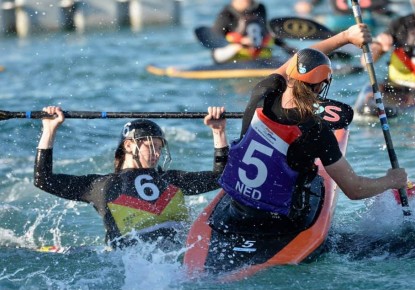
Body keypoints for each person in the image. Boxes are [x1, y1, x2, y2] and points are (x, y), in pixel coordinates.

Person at [215, 23, 408, 232]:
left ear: (289, 74)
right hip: (278, 221)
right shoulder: (316, 130)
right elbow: (355, 189)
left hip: (237, 210)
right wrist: (391, 180)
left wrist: (344, 36)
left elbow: (300, 59)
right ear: (319, 86)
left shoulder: (263, 91)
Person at [34, 106, 228, 250]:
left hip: (177, 254)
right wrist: (50, 130)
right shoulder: (102, 186)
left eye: (160, 148)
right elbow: (44, 179)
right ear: (128, 146)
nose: (157, 153)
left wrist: (218, 132)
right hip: (127, 262)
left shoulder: (171, 180)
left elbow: (222, 177)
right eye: (150, 146)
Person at [211, 0, 294, 64]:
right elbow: (215, 48)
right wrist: (240, 42)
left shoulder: (260, 9)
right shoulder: (225, 16)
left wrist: (290, 50)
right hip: (237, 59)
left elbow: (269, 32)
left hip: (262, 56)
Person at [367, 0, 415, 91]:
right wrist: (379, 45)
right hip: (398, 87)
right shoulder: (400, 25)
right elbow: (365, 61)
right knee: (370, 91)